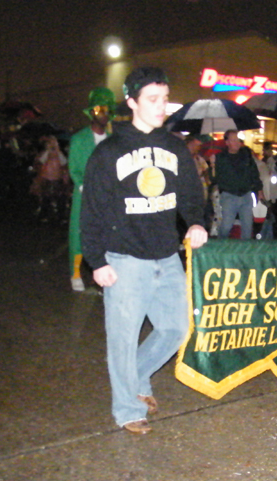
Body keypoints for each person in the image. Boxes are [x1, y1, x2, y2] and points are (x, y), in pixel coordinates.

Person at [80, 67, 208, 435]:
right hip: (124, 258)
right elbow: (92, 210)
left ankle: (135, 378)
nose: (161, 106)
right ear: (133, 102)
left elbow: (189, 194)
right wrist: (96, 261)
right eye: (153, 99)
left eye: (165, 99)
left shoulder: (174, 147)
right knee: (121, 340)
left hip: (166, 256)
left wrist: (196, 222)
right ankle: (126, 409)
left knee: (176, 328)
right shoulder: (109, 152)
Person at [68, 87, 115, 292]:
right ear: (92, 113)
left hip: (108, 196)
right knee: (80, 231)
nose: (104, 116)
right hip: (84, 194)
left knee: (107, 233)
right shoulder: (79, 139)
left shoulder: (113, 140)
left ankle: (103, 272)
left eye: (107, 111)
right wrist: (83, 186)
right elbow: (74, 167)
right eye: (100, 110)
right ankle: (75, 273)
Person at [212, 129, 262, 240]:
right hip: (229, 195)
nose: (236, 143)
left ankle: (245, 252)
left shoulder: (246, 155)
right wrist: (213, 165)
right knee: (226, 225)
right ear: (227, 143)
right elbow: (214, 179)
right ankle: (221, 245)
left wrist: (259, 190)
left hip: (246, 194)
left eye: (237, 140)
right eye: (233, 140)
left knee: (247, 227)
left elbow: (254, 173)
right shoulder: (220, 158)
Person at [33, 135, 70, 224]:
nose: (53, 144)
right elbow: (40, 161)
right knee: (46, 198)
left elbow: (64, 162)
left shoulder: (60, 154)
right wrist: (48, 151)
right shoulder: (44, 153)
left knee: (61, 199)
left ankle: (61, 216)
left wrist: (57, 151)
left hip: (57, 179)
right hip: (47, 179)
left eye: (55, 142)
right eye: (50, 142)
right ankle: (44, 215)